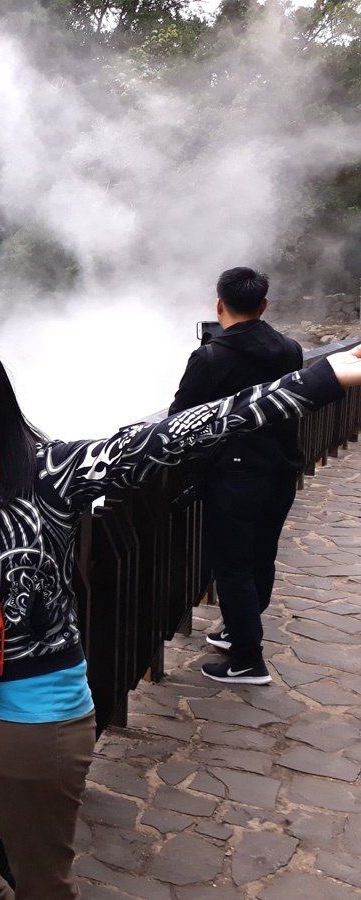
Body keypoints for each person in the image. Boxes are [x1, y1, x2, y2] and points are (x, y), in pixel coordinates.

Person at [0, 336, 361, 899]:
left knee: (43, 882)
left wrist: (324, 378)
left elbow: (177, 435)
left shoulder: (51, 471)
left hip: (38, 718)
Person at [169, 267, 304, 686]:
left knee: (231, 564)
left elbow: (180, 417)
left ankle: (248, 659)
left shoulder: (211, 357)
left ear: (219, 304)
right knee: (262, 555)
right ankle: (239, 631)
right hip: (280, 470)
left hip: (233, 477)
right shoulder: (290, 349)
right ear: (263, 306)